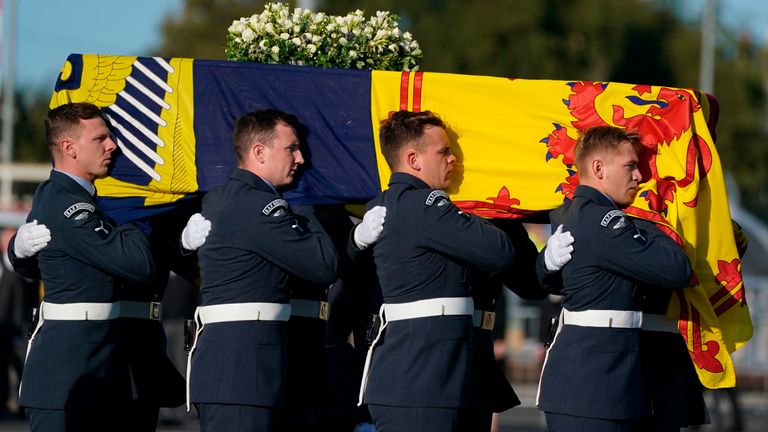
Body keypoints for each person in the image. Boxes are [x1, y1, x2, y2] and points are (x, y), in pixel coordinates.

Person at [357, 110, 517, 432]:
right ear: (413, 159)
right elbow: (498, 253)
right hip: (424, 382)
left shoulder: (392, 203)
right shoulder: (423, 205)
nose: (454, 160)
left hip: (433, 379)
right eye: (444, 152)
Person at [186, 109, 342, 431]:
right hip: (241, 375)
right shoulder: (259, 207)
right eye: (291, 148)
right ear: (259, 151)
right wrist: (304, 199)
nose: (301, 159)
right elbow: (323, 264)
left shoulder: (227, 199)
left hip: (238, 372)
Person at [8, 102, 156, 431]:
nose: (112, 145)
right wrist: (132, 210)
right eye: (100, 138)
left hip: (94, 366)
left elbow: (46, 263)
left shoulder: (63, 195)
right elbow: (138, 264)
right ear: (69, 147)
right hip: (70, 372)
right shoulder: (69, 204)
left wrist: (15, 252)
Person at [535, 125, 693, 432]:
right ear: (598, 168)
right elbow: (677, 270)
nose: (640, 177)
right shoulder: (604, 221)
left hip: (597, 383)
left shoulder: (573, 213)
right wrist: (653, 220)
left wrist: (544, 264)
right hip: (592, 387)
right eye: (630, 166)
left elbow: (551, 279)